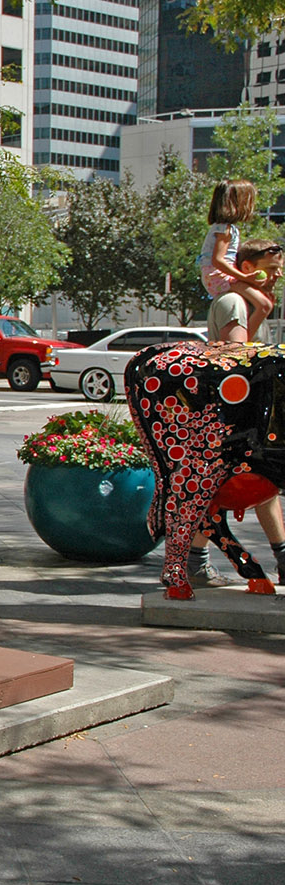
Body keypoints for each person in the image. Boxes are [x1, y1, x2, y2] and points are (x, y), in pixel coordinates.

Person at [190, 236, 285, 587]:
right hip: (229, 414)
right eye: (270, 271)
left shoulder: (244, 302)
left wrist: (260, 309)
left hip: (237, 411)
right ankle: (193, 562)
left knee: (263, 483)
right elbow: (236, 358)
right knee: (227, 487)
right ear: (246, 268)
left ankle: (282, 556)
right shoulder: (232, 301)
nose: (276, 277)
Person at [199, 179, 271, 340]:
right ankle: (244, 342)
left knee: (260, 300)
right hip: (219, 277)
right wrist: (244, 277)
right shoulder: (225, 229)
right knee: (264, 305)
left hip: (216, 276)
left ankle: (245, 338)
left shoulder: (221, 227)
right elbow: (218, 260)